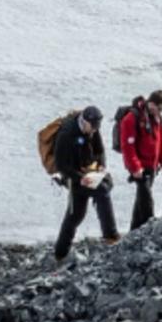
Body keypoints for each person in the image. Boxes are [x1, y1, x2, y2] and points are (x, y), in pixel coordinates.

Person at [51, 105, 118, 263]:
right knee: (93, 200)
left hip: (90, 172)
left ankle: (60, 253)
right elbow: (61, 165)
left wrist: (101, 165)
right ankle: (110, 235)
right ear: (84, 121)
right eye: (92, 127)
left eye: (96, 128)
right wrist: (79, 178)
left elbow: (100, 150)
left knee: (81, 211)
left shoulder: (94, 128)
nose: (93, 131)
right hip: (73, 177)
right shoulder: (67, 133)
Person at [117, 90, 162, 230]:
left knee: (140, 202)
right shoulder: (131, 118)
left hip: (152, 166)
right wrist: (135, 167)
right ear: (152, 103)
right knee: (146, 201)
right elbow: (127, 146)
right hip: (139, 168)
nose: (161, 112)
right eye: (160, 108)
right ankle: (151, 231)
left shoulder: (157, 118)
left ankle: (134, 231)